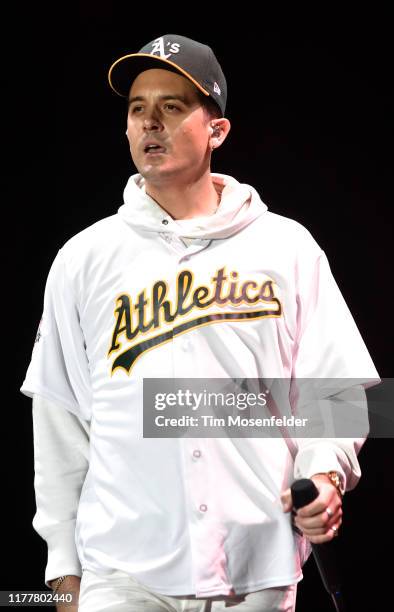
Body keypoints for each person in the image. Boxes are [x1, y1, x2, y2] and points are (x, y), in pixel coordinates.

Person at [21, 34, 380, 612]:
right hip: (123, 571)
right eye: (138, 109)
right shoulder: (83, 259)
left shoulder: (286, 246)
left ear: (217, 130)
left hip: (255, 567)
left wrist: (327, 472)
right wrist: (64, 571)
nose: (149, 123)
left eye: (171, 106)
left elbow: (343, 389)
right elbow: (59, 424)